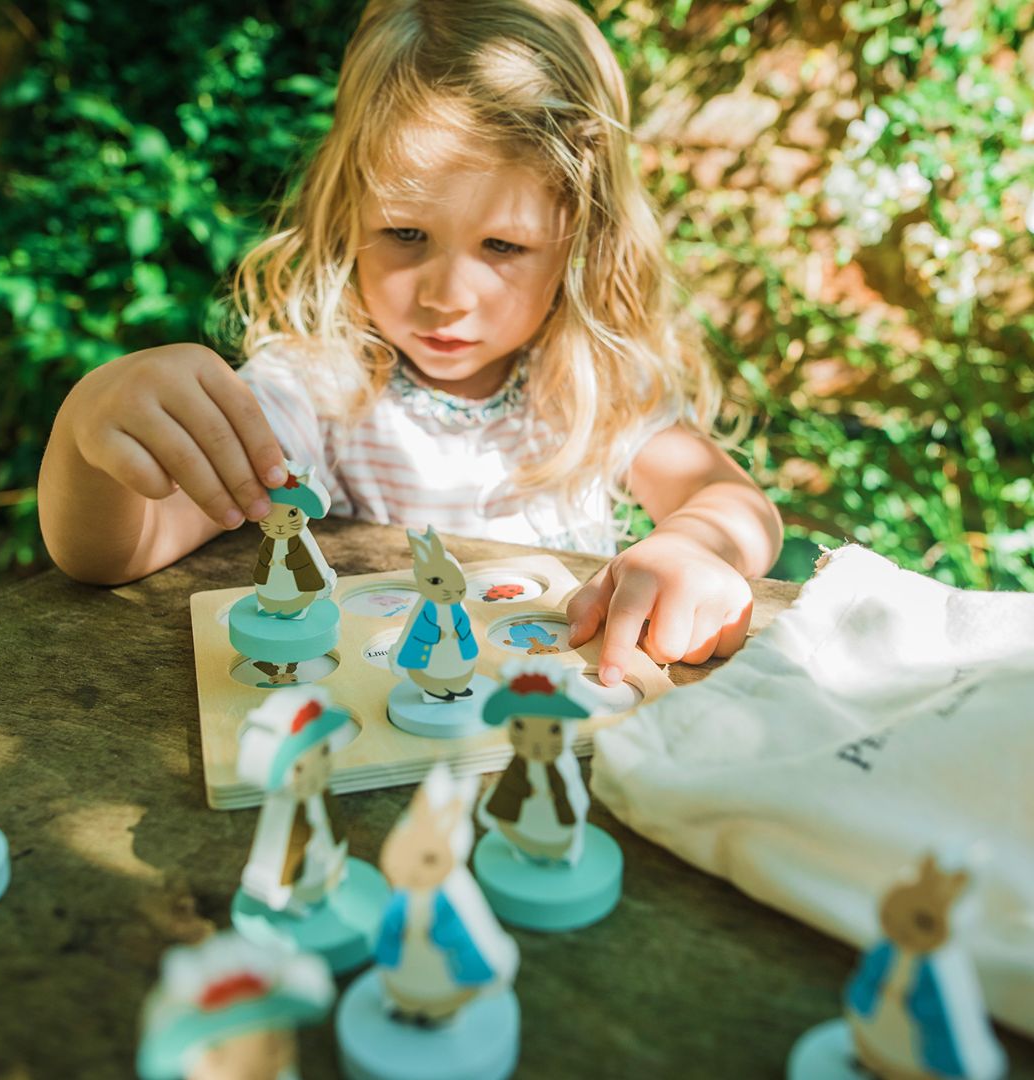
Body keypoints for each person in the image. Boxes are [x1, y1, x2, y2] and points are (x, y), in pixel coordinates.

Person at [38, 0, 782, 684]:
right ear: (346, 213)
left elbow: (730, 501)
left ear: (582, 237)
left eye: (502, 245)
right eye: (404, 234)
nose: (446, 296)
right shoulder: (317, 386)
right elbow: (115, 555)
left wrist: (695, 545)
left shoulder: (594, 386)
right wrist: (85, 427)